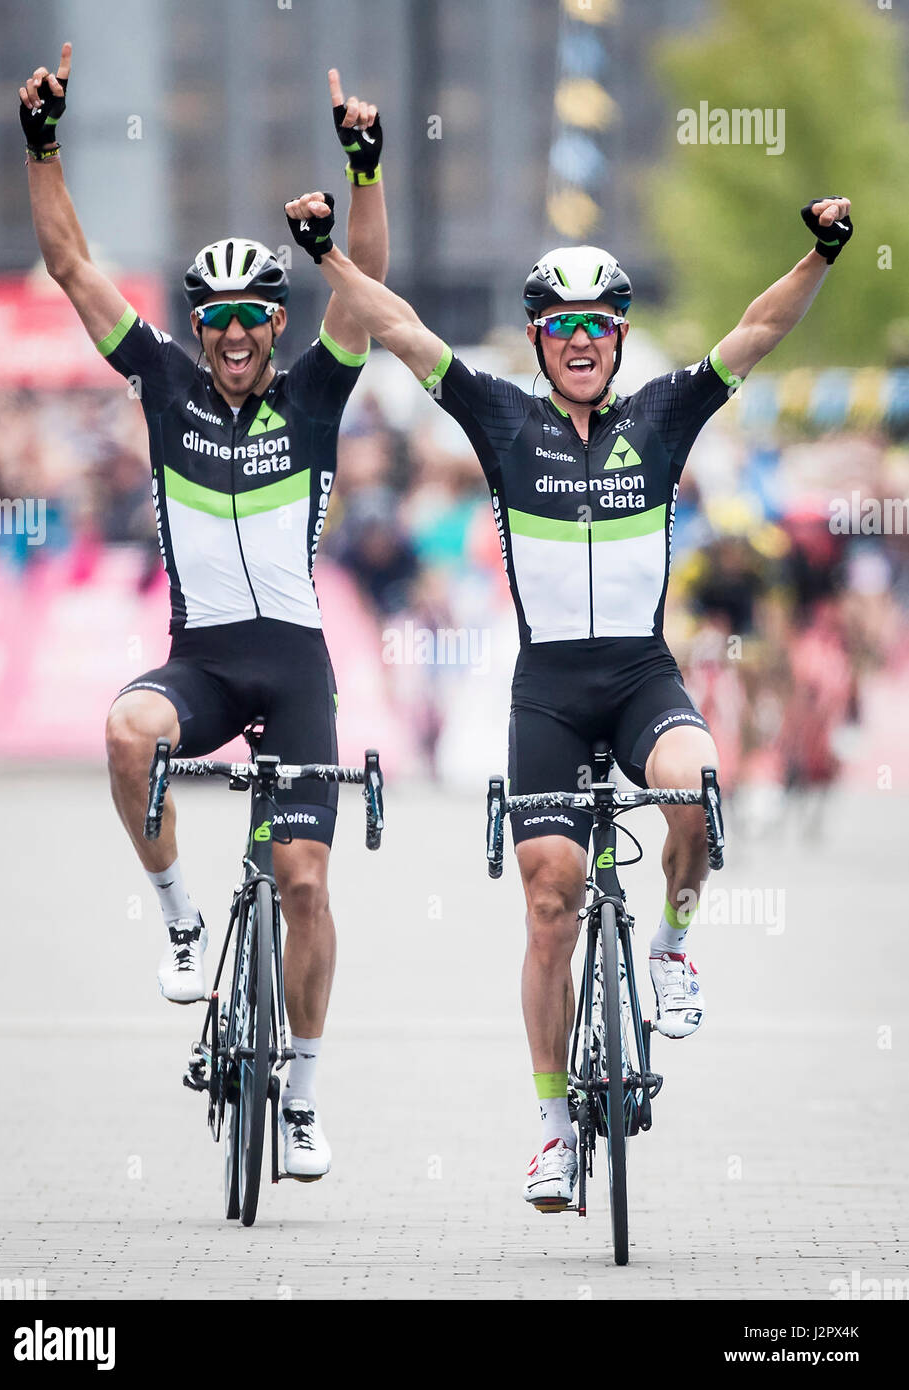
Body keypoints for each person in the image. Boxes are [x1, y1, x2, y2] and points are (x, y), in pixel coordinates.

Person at [283, 185, 852, 1209]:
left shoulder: (665, 415)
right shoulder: (501, 419)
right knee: (551, 904)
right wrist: (326, 254)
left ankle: (674, 950)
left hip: (641, 677)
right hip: (547, 690)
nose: (580, 342)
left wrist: (821, 254)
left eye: (597, 326)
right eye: (562, 328)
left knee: (697, 785)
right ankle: (551, 1130)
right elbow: (405, 333)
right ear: (540, 342)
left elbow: (756, 332)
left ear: (618, 336)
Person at [20, 45, 388, 1181]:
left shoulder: (317, 391)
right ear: (199, 324)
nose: (234, 336)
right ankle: (182, 919)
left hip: (296, 677)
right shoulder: (166, 385)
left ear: (277, 326)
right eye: (217, 318)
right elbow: (74, 266)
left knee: (307, 881)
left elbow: (367, 291)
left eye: (253, 318)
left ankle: (308, 1096)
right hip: (206, 669)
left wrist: (363, 172)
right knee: (129, 732)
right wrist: (42, 143)